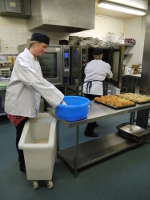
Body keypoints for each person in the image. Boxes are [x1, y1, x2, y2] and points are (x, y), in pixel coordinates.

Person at [5, 33, 65, 173]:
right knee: (21, 134)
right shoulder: (22, 59)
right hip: (19, 104)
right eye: (43, 47)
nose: (45, 50)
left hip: (28, 103)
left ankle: (27, 157)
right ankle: (23, 164)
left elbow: (38, 83)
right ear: (34, 43)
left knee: (27, 133)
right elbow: (35, 82)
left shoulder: (35, 60)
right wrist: (59, 100)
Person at [82, 48, 113, 137]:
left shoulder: (88, 64)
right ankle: (88, 131)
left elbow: (86, 73)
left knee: (90, 107)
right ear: (102, 55)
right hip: (96, 89)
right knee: (96, 110)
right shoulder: (106, 65)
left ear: (93, 56)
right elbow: (110, 76)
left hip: (86, 89)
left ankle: (93, 123)